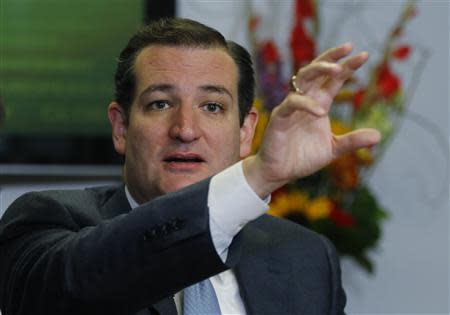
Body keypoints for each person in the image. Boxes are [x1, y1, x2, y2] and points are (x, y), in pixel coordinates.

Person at [0, 18, 380, 315]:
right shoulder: (50, 222)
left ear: (246, 131)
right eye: (160, 104)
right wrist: (258, 175)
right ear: (121, 127)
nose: (185, 130)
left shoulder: (305, 257)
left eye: (212, 107)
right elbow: (70, 294)